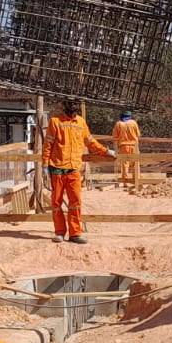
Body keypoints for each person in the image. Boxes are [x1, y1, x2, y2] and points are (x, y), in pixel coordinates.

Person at [44, 98, 112, 244]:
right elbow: (48, 145)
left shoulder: (81, 123)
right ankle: (60, 232)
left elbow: (90, 142)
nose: (73, 106)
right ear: (64, 105)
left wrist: (105, 151)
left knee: (75, 202)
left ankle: (75, 233)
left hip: (74, 169)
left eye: (75, 104)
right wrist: (45, 164)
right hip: (57, 168)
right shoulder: (55, 122)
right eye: (70, 104)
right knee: (56, 203)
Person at [112, 110, 142, 192]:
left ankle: (125, 183)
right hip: (134, 146)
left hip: (123, 146)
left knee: (125, 164)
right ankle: (136, 181)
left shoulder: (118, 124)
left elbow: (115, 138)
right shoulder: (134, 123)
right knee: (135, 163)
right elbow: (138, 135)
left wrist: (116, 150)